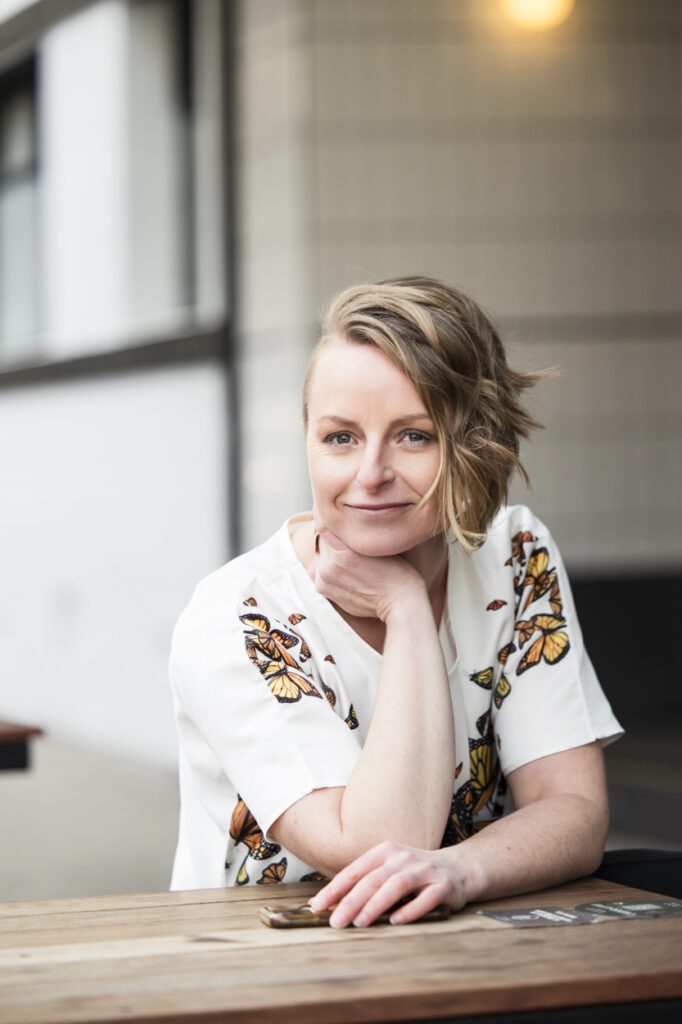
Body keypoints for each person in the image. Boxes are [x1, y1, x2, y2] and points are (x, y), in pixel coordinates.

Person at [169, 276, 624, 925]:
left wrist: (465, 867)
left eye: (414, 435)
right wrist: (407, 610)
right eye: (340, 437)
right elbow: (377, 848)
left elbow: (574, 809)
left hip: (466, 949)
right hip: (260, 967)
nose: (370, 473)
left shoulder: (513, 554)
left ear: (475, 441)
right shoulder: (240, 615)